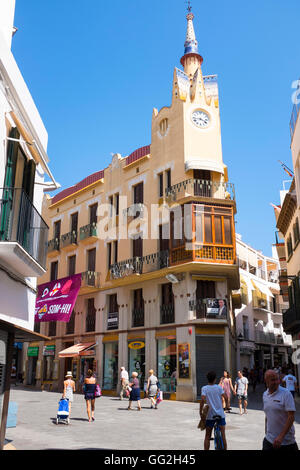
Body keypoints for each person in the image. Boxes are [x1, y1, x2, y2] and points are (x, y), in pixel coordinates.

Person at [262, 369, 298, 450]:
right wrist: (266, 432)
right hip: (269, 440)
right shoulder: (265, 395)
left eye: (277, 379)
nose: (276, 382)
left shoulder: (286, 394)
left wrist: (281, 436)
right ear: (266, 381)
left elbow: (291, 417)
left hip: (286, 442)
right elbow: (267, 415)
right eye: (273, 380)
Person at [200, 371, 227, 450]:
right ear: (215, 379)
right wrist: (224, 406)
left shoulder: (204, 388)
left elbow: (202, 400)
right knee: (223, 436)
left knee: (207, 436)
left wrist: (201, 412)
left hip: (210, 415)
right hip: (220, 414)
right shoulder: (219, 388)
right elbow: (226, 397)